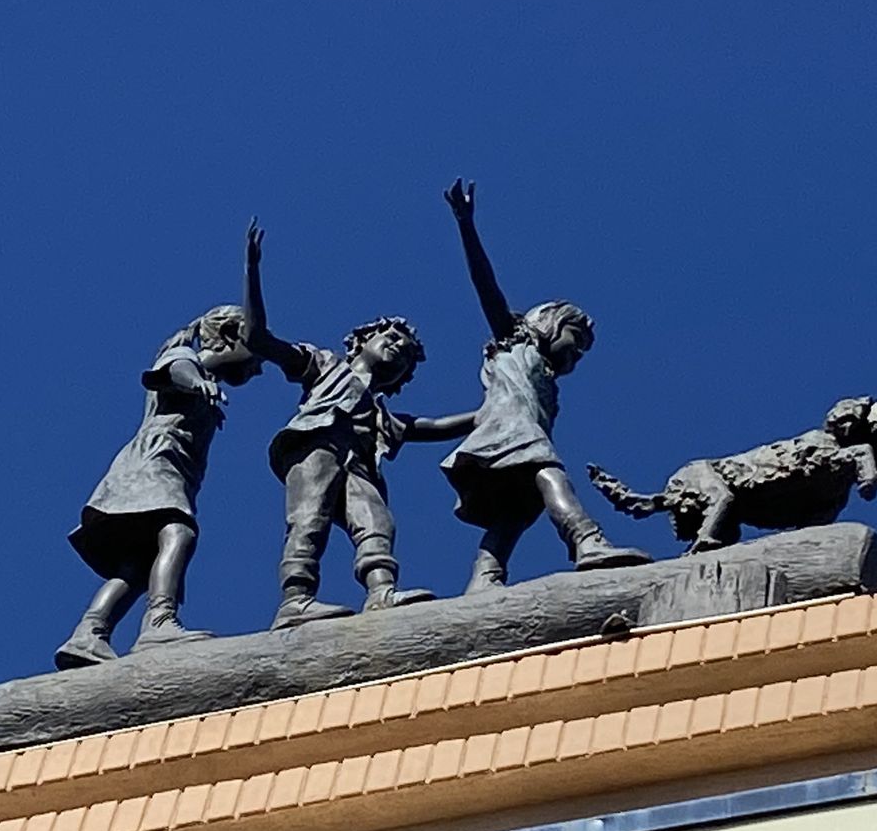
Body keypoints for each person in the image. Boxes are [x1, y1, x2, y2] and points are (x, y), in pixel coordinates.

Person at [54, 222, 269, 669]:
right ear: (231, 338)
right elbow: (171, 371)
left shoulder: (203, 374)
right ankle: (159, 624)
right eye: (253, 355)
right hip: (154, 463)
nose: (259, 367)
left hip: (165, 470)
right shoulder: (187, 360)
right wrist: (199, 385)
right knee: (178, 532)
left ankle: (89, 633)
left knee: (137, 565)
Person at [245, 234, 477, 629]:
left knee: (376, 520)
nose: (398, 349)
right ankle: (296, 599)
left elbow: (432, 426)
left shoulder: (382, 414)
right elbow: (259, 339)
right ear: (361, 341)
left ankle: (381, 592)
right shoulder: (324, 365)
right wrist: (252, 270)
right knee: (310, 517)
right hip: (317, 443)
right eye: (392, 339)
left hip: (359, 463)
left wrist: (488, 414)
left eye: (406, 355)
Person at [439, 178, 650, 595]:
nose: (578, 354)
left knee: (514, 513)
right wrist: (466, 224)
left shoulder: (546, 381)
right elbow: (486, 285)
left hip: (507, 434)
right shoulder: (513, 340)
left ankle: (485, 577)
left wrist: (412, 429)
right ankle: (586, 540)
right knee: (549, 473)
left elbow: (477, 417)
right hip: (515, 435)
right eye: (576, 339)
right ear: (551, 323)